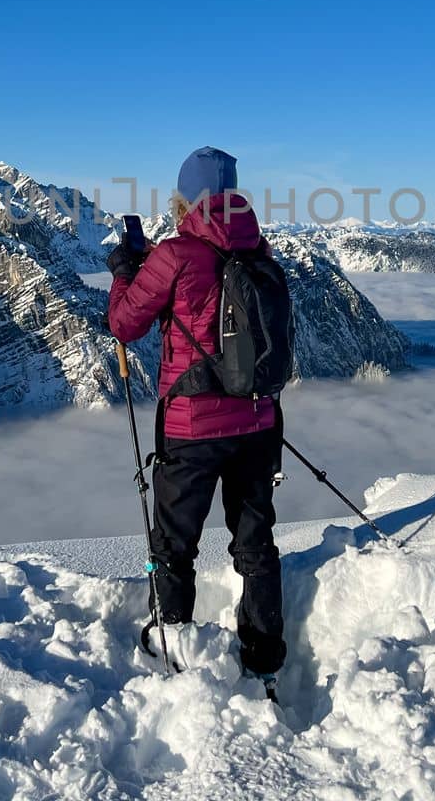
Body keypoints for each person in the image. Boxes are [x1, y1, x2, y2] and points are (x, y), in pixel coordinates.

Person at [106, 146, 287, 680]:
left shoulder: (175, 254)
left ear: (185, 200)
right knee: (255, 541)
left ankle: (172, 643)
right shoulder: (260, 249)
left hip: (192, 428)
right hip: (258, 420)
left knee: (173, 545)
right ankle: (263, 655)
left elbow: (124, 323)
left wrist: (124, 270)